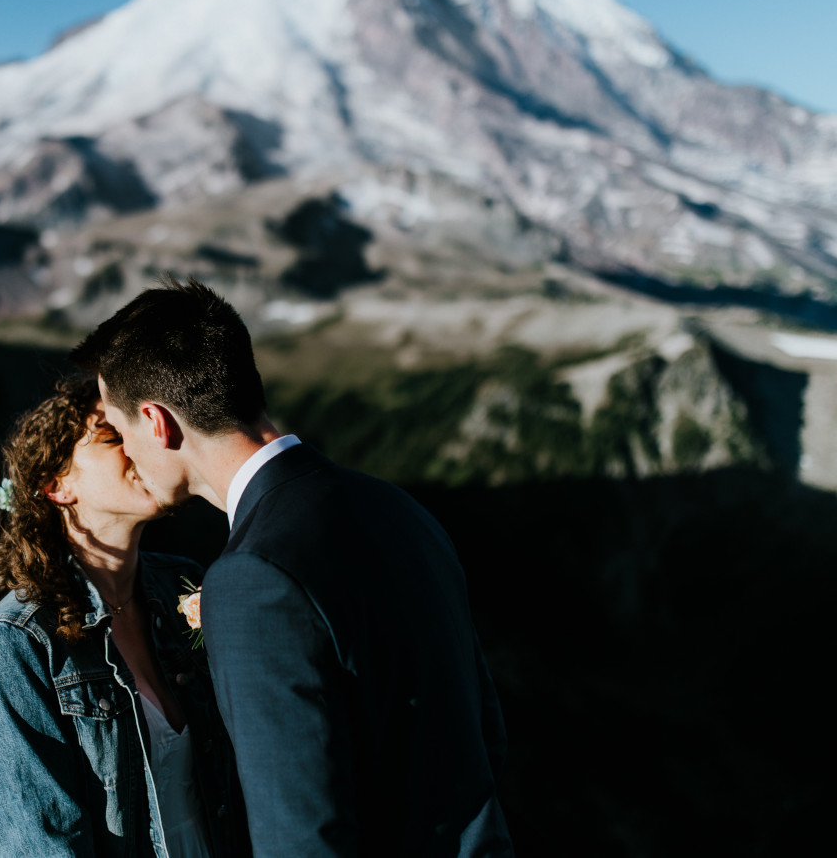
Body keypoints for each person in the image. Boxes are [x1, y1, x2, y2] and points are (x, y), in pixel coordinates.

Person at [71, 280, 513, 858]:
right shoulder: (401, 510)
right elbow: (488, 736)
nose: (125, 451)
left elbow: (300, 837)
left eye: (121, 430)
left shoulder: (252, 578)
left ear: (157, 422)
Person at [0, 374, 250, 858]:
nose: (141, 448)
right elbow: (38, 844)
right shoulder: (18, 644)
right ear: (56, 484)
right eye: (114, 438)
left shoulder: (186, 588)